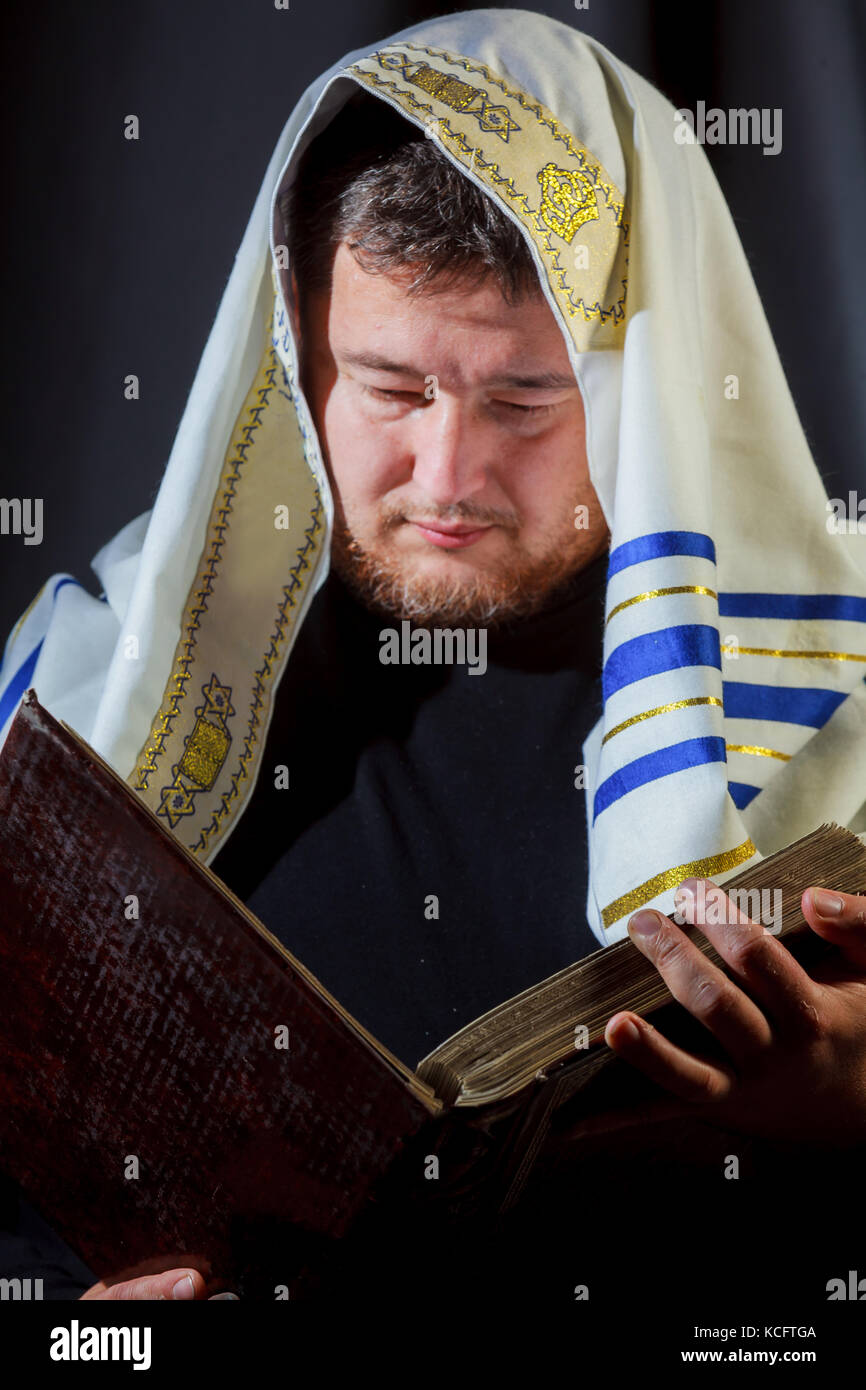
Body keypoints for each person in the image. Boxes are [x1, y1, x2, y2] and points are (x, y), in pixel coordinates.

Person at [2, 7, 866, 1306]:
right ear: (295, 353)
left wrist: (848, 1106)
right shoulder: (95, 687)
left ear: (647, 381)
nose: (448, 477)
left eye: (523, 399)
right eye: (391, 390)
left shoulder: (835, 719)